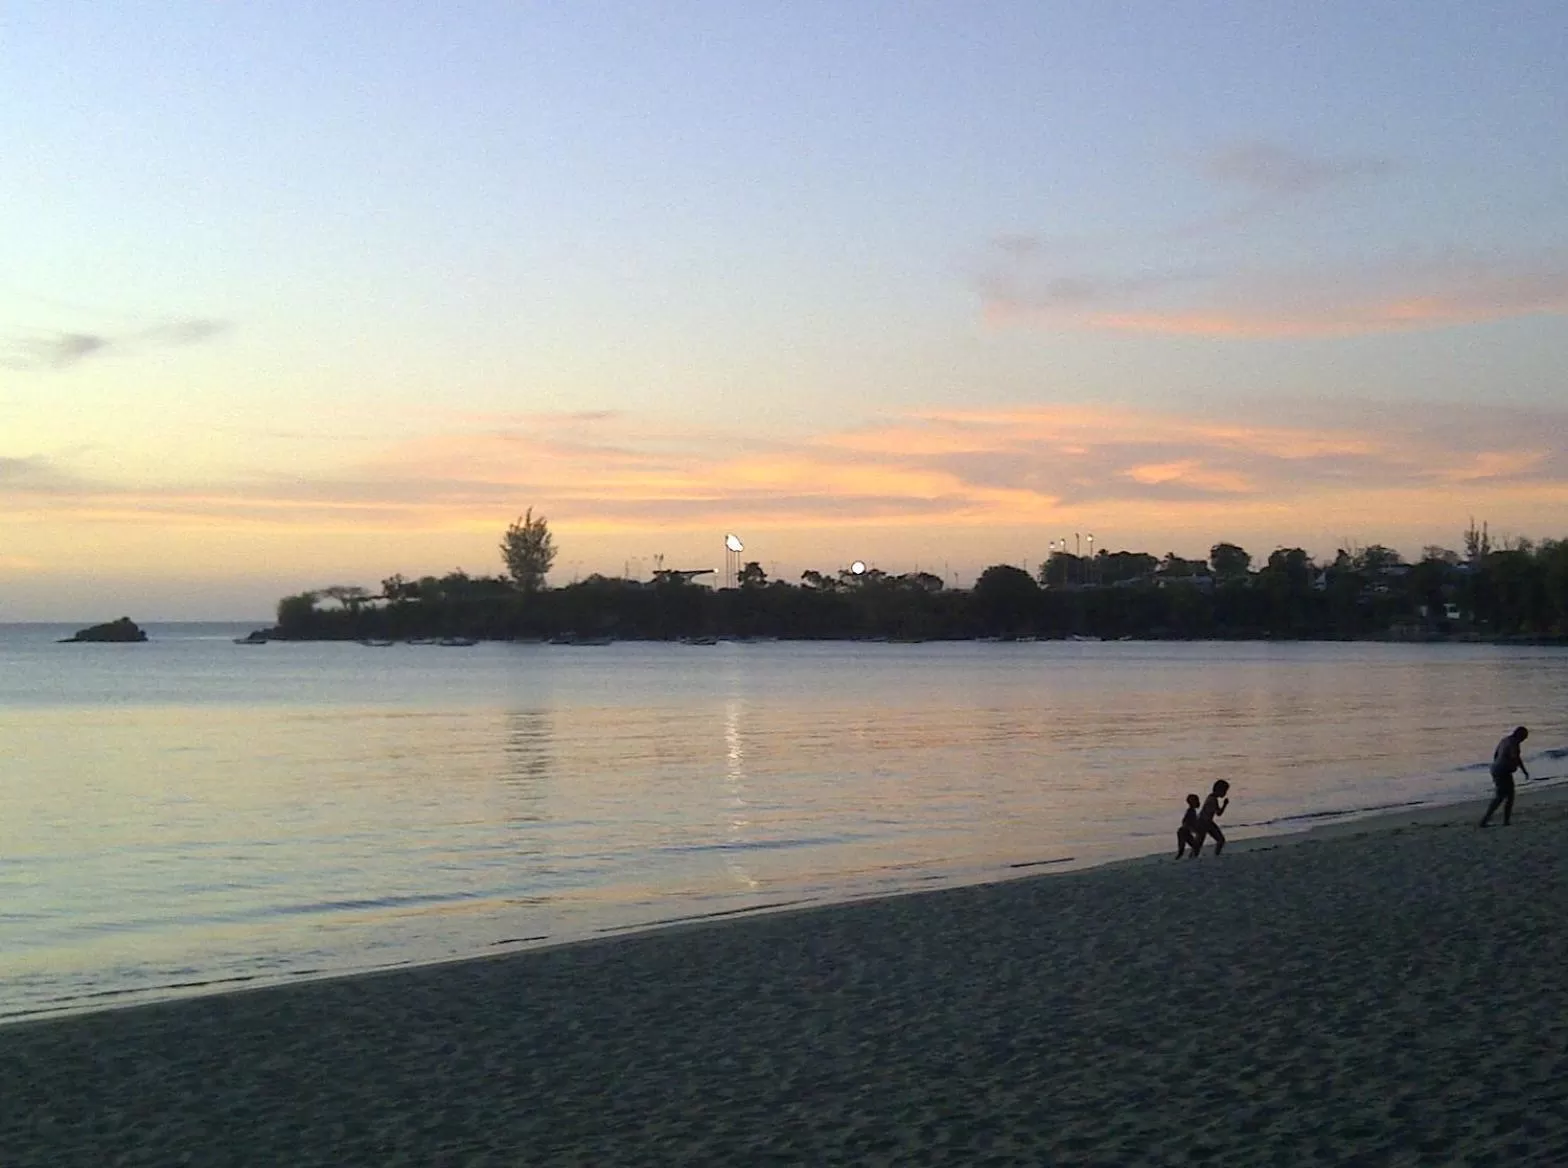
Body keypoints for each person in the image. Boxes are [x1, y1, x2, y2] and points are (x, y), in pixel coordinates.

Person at [1479, 726, 1530, 828]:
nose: (1524, 740)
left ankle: (1503, 820)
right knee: (1502, 796)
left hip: (1495, 768)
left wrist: (1523, 770)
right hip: (1503, 771)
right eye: (1524, 737)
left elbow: (1496, 754)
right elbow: (1514, 757)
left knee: (1507, 795)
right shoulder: (1514, 743)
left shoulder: (1505, 740)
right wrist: (1514, 767)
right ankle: (1486, 820)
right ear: (1520, 735)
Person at [1191, 780, 1230, 856]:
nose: (1225, 793)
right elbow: (1219, 813)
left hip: (1207, 822)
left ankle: (1216, 855)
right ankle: (1216, 855)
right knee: (1199, 844)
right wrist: (1225, 804)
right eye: (1224, 791)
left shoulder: (1211, 798)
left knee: (1219, 840)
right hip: (1203, 823)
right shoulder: (1212, 800)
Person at [1176, 793, 1202, 858]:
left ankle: (1190, 858)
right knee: (1195, 847)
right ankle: (1192, 858)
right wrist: (1194, 830)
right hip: (1184, 832)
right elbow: (1187, 822)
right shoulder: (1191, 811)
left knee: (1183, 849)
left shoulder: (1191, 811)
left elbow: (1185, 821)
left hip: (1183, 831)